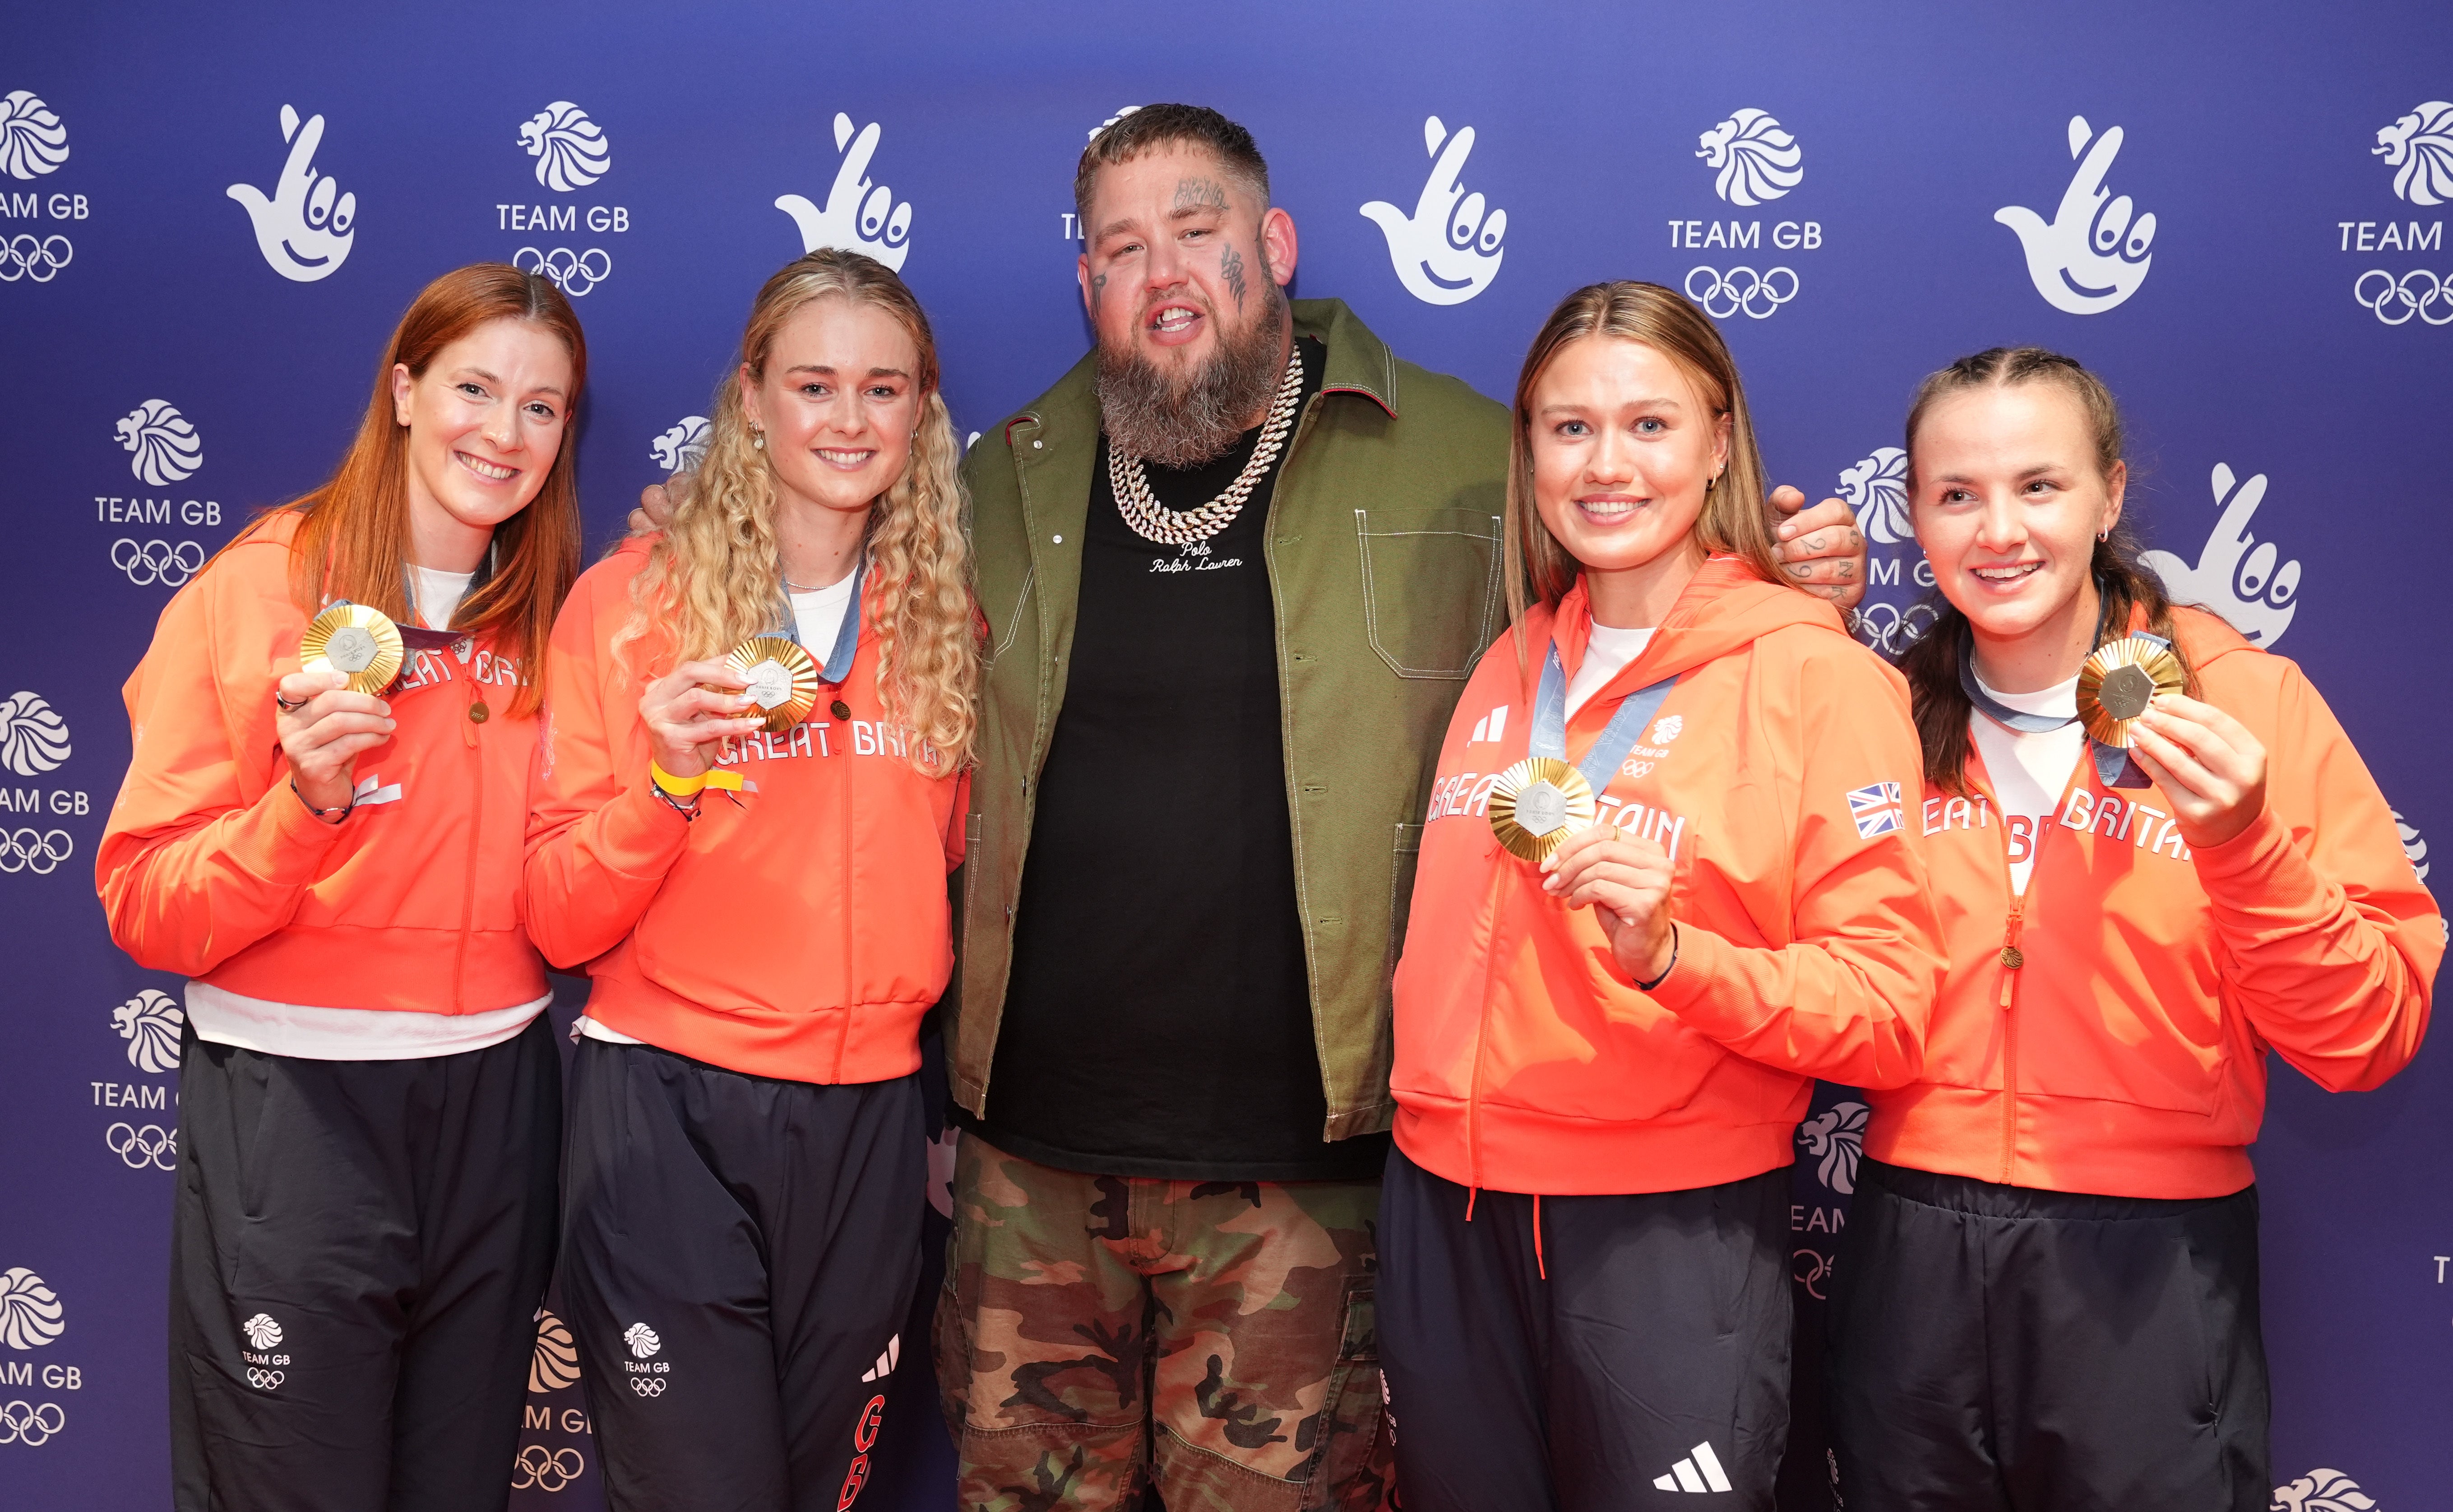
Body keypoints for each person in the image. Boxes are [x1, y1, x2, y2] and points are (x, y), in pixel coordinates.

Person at [918, 107, 1873, 1511]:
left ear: (1276, 246)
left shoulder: (1462, 455)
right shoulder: (1002, 477)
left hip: (1311, 1178)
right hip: (1029, 1170)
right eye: (1120, 247)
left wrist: (1795, 594)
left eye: (1197, 231)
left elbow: (1644, 620)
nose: (1161, 271)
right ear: (1084, 282)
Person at [1825, 347, 2439, 1510]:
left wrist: (2245, 843)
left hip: (2152, 1264)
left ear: (2110, 497)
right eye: (1958, 495)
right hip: (1908, 1247)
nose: (1998, 530)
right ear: (1916, 516)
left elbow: (2370, 1034)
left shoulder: (2243, 704)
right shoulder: (1877, 715)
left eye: (2040, 487)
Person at [1375, 281, 1944, 1511]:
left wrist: (1676, 955)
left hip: (1662, 1231)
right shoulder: (1509, 658)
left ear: (1720, 441)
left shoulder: (1813, 674)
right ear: (1526, 447)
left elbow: (1891, 1011)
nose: (1604, 464)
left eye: (1648, 425)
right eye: (1567, 427)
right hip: (1443, 1209)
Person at [96, 263, 584, 1512]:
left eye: (543, 407)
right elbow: (146, 902)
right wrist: (301, 809)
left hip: (497, 1102)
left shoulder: (554, 622)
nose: (505, 432)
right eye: (476, 387)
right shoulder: (260, 586)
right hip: (297, 1111)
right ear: (406, 390)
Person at [523, 248, 975, 1512]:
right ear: (752, 400)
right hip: (666, 1111)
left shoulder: (950, 625)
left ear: (921, 417)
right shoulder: (629, 605)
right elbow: (556, 913)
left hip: (867, 1130)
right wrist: (664, 784)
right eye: (814, 384)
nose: (847, 419)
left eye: (882, 390)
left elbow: (953, 873)